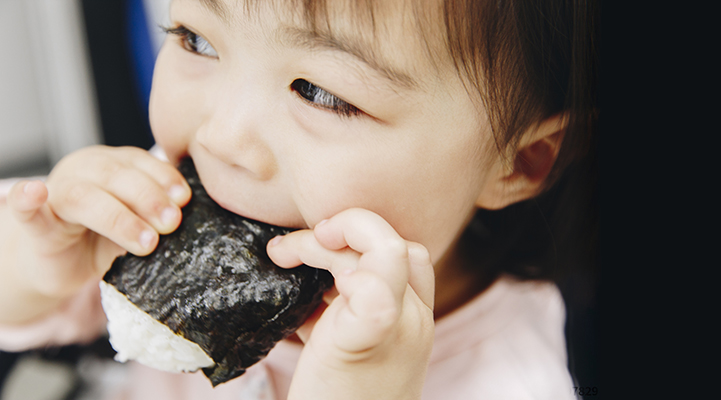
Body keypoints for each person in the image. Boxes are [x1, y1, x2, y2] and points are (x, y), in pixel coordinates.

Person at [0, 0, 598, 399]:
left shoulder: (513, 379)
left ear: (520, 161)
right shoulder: (169, 200)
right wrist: (34, 265)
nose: (222, 139)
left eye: (319, 92)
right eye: (197, 40)